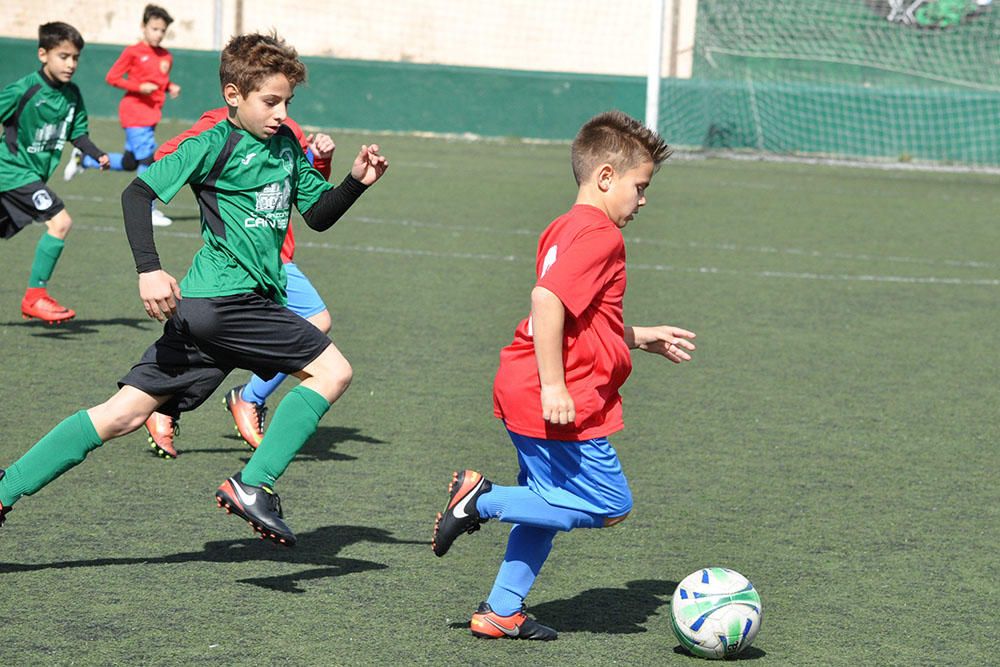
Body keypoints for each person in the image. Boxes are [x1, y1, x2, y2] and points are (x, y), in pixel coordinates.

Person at [0, 32, 389, 548]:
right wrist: (149, 269)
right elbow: (137, 194)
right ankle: (254, 484)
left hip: (208, 313)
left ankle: (3, 492)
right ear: (234, 95)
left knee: (123, 414)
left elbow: (317, 216)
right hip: (229, 301)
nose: (280, 112)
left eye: (287, 102)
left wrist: (356, 182)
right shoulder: (212, 143)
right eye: (269, 101)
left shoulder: (287, 147)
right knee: (334, 371)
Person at [431, 110, 695, 640]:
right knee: (610, 503)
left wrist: (640, 337)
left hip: (524, 386)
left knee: (547, 505)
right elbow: (547, 299)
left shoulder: (564, 225)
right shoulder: (602, 236)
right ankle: (480, 499)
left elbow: (582, 319)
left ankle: (501, 609)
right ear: (605, 177)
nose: (643, 200)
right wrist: (556, 385)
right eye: (640, 187)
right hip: (554, 397)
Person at [142, 107, 335, 459]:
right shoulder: (217, 124)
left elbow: (306, 189)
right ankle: (243, 399)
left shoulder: (286, 128)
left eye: (286, 97)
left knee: (220, 349)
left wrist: (321, 159)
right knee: (316, 325)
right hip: (241, 262)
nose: (280, 107)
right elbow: (167, 156)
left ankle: (168, 402)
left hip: (273, 258)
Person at [0, 22, 110, 325]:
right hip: (12, 171)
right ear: (43, 54)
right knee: (60, 222)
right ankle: (35, 296)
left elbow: (78, 132)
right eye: (63, 56)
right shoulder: (25, 89)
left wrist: (95, 152)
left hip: (30, 175)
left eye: (75, 57)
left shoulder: (72, 95)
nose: (71, 64)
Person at [63, 4, 180, 227]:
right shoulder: (133, 52)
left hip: (151, 115)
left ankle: (83, 159)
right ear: (143, 27)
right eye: (154, 28)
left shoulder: (166, 56)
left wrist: (170, 87)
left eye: (162, 30)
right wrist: (138, 86)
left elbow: (159, 82)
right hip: (134, 114)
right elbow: (113, 77)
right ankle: (147, 209)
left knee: (130, 162)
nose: (158, 34)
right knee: (149, 159)